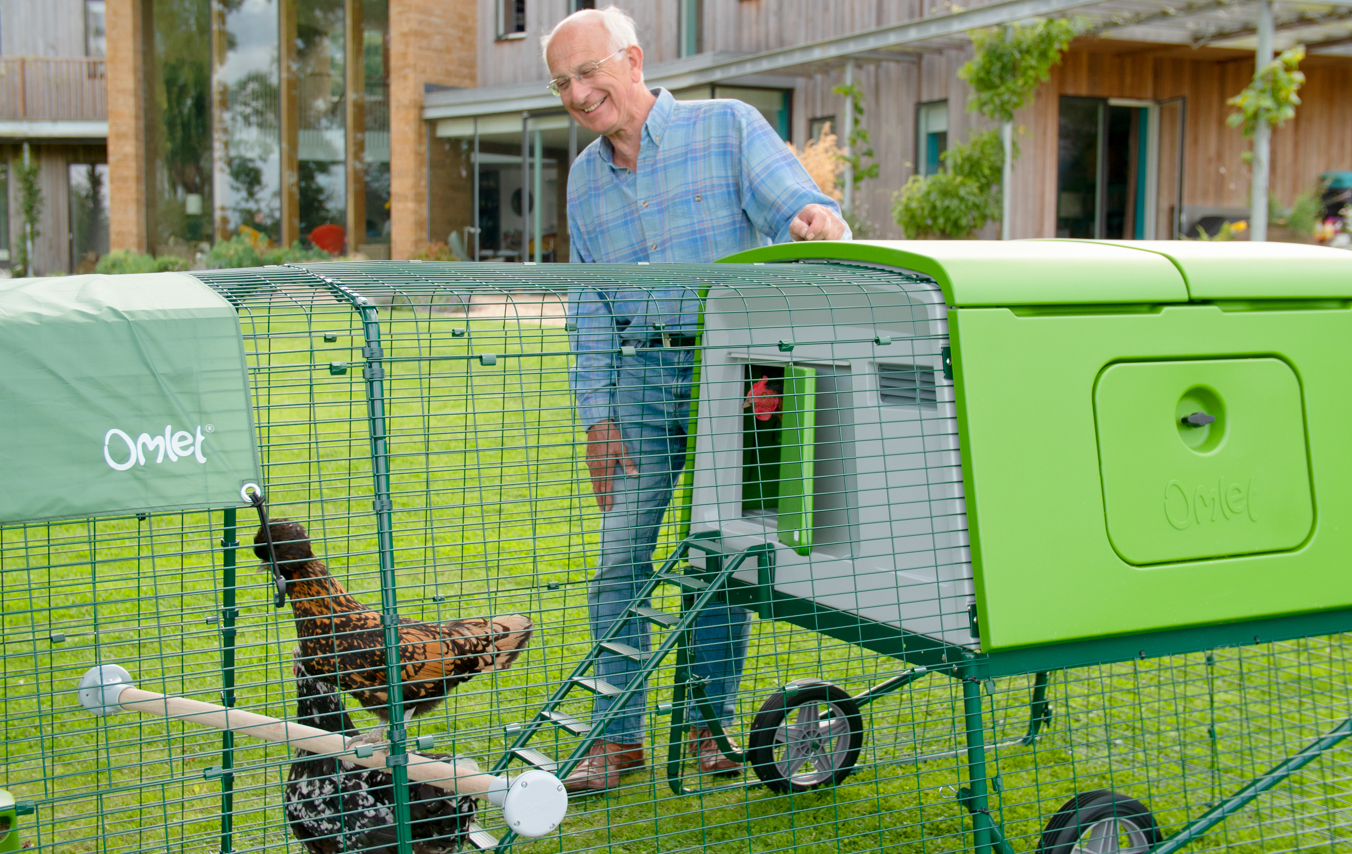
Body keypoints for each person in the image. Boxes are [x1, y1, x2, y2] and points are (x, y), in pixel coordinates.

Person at [543, 5, 849, 794]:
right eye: (563, 83)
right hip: (644, 379)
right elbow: (591, 309)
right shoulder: (583, 178)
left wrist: (815, 218)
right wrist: (598, 416)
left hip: (738, 377)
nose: (579, 93)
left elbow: (797, 204)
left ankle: (707, 728)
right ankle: (618, 740)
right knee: (620, 561)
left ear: (633, 60)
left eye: (590, 72)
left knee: (721, 560)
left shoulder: (727, 127)